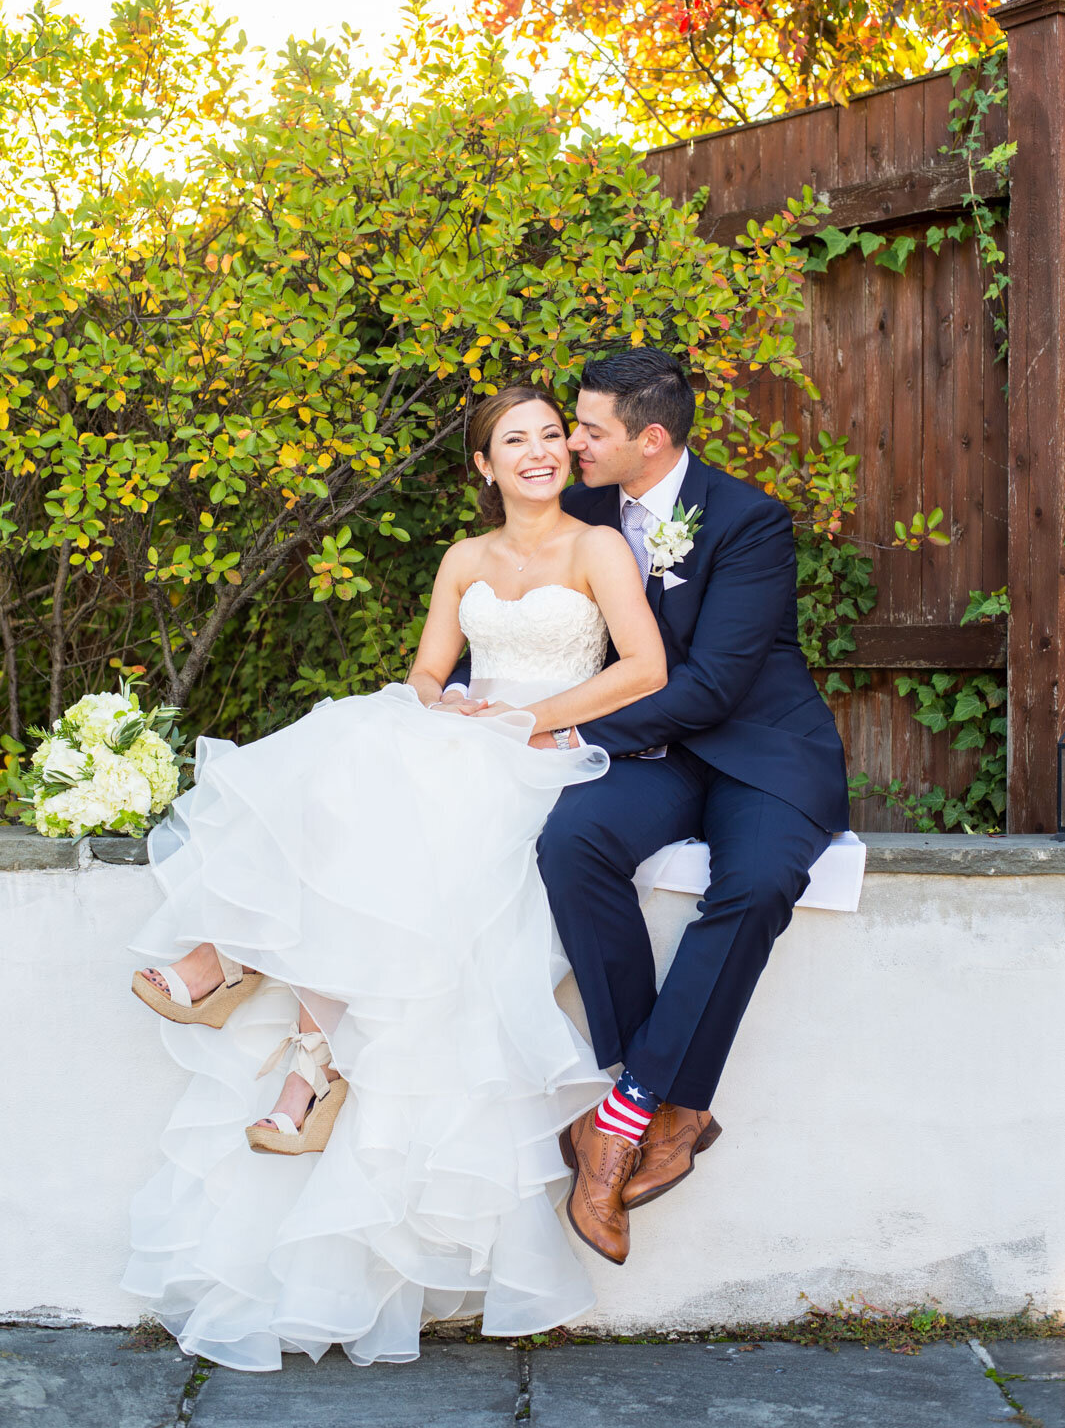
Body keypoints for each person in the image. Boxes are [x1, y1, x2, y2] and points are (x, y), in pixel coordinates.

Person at [125, 384, 668, 1371]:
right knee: (358, 739)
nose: (542, 451)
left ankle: (275, 1013)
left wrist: (522, 720)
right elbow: (428, 671)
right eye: (518, 440)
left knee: (390, 794)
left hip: (548, 750)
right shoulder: (465, 558)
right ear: (483, 465)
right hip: (470, 736)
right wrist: (445, 704)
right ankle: (271, 1000)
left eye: (553, 435)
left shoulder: (597, 548)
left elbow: (644, 669)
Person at [444, 347, 849, 1267]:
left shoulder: (749, 521)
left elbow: (709, 687)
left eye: (587, 430)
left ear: (649, 439)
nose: (569, 444)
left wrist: (551, 730)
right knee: (572, 842)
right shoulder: (580, 509)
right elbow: (519, 605)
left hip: (755, 752)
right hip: (646, 758)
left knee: (751, 887)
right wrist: (476, 698)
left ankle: (618, 1117)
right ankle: (666, 1098)